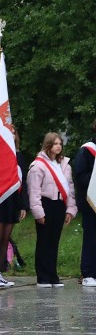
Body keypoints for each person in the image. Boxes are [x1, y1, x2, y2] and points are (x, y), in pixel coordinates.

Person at [0, 126, 29, 289]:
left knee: (5, 240)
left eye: (14, 133)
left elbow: (23, 181)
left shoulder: (19, 156)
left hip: (13, 202)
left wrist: (23, 205)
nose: (13, 135)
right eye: (9, 133)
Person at [28, 133, 77, 288]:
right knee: (44, 240)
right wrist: (38, 212)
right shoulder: (38, 165)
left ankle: (52, 274)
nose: (58, 146)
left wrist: (70, 209)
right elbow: (34, 191)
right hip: (45, 203)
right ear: (48, 145)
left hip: (59, 204)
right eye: (55, 143)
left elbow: (70, 189)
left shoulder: (65, 165)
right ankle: (42, 276)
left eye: (60, 144)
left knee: (54, 241)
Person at [73, 120, 96, 287]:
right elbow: (80, 176)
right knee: (91, 238)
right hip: (91, 203)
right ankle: (88, 273)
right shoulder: (87, 150)